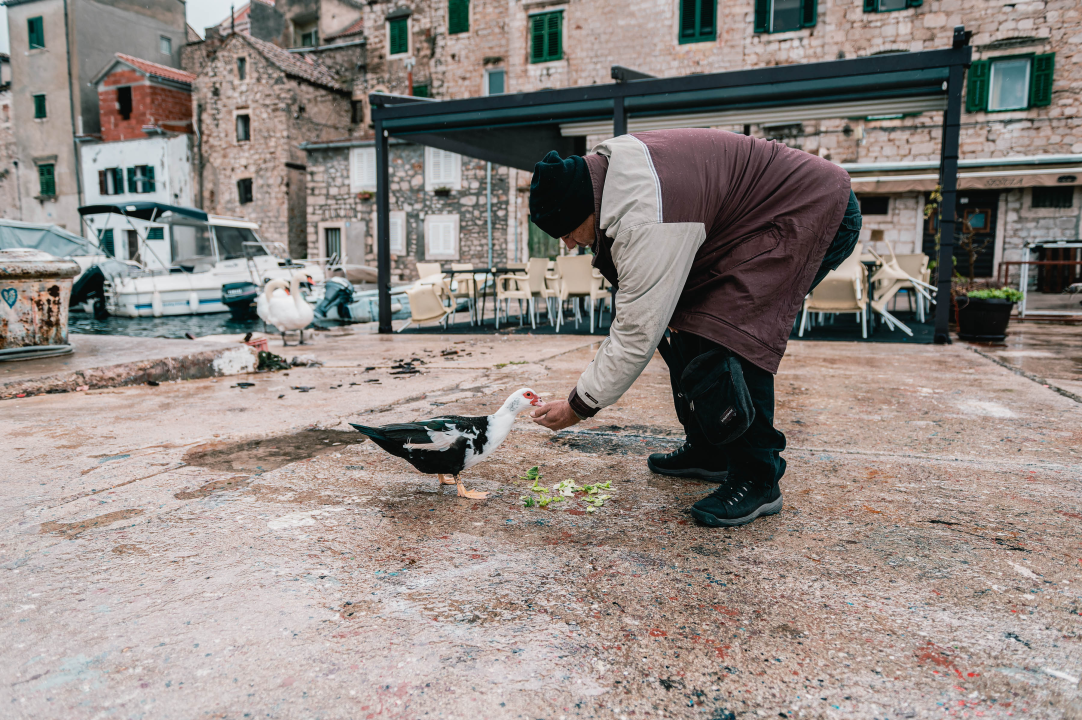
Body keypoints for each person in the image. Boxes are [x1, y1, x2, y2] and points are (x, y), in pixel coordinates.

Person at [528, 128, 861, 527]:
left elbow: (636, 333)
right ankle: (711, 450)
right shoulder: (607, 175)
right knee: (686, 326)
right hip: (749, 221)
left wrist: (577, 406)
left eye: (567, 231)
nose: (568, 244)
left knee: (732, 332)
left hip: (811, 207)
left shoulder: (644, 216)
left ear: (587, 207)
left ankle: (758, 478)